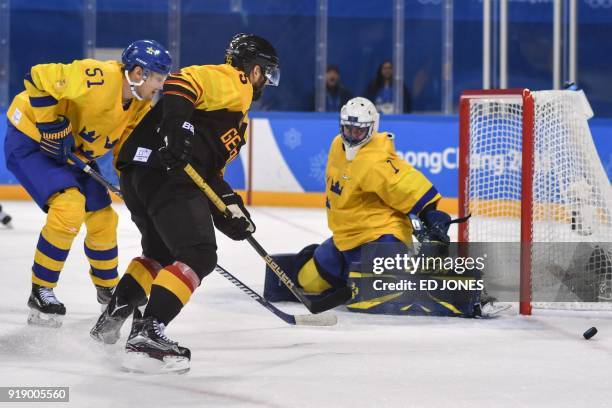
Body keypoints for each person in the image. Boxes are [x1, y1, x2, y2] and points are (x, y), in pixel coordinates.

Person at [89, 33, 280, 374]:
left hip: (142, 173)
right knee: (199, 253)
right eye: (266, 72)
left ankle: (113, 317)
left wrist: (230, 209)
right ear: (253, 69)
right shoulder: (234, 82)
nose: (265, 80)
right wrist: (177, 128)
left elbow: (210, 175)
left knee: (159, 256)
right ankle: (149, 331)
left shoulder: (238, 118)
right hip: (164, 172)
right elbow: (181, 82)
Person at [3, 40, 172, 327]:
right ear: (138, 72)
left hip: (73, 153)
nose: (160, 85)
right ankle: (41, 289)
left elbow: (124, 153)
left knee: (105, 218)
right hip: (30, 139)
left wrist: (138, 190)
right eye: (157, 77)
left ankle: (108, 290)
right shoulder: (99, 76)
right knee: (69, 206)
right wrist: (50, 125)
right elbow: (37, 77)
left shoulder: (139, 107)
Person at [262, 97, 469, 314]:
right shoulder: (336, 145)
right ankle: (349, 276)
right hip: (345, 240)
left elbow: (405, 184)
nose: (351, 136)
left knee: (377, 296)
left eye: (358, 131)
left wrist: (430, 215)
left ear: (371, 128)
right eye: (348, 129)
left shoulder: (376, 159)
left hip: (380, 237)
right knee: (306, 281)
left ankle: (441, 286)